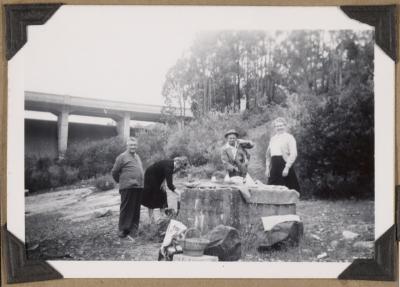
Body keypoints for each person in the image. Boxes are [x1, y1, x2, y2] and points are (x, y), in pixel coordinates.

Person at [111, 137, 144, 238]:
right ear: (127, 146)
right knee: (126, 208)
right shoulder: (122, 157)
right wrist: (121, 181)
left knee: (135, 209)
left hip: (138, 187)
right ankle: (123, 230)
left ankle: (133, 229)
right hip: (127, 187)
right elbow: (115, 171)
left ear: (137, 146)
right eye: (131, 145)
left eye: (134, 145)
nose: (133, 147)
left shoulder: (137, 156)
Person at [142, 157, 188, 223]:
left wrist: (163, 181)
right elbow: (170, 185)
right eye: (180, 168)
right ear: (177, 163)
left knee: (163, 193)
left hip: (157, 176)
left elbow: (163, 171)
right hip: (150, 175)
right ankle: (151, 220)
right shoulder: (169, 167)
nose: (179, 170)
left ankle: (162, 216)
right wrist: (178, 192)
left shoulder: (172, 164)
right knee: (152, 196)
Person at [265, 117, 300, 192]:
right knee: (271, 188)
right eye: (277, 126)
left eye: (281, 125)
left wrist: (287, 167)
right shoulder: (273, 139)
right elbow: (268, 155)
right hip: (274, 165)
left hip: (285, 164)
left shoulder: (289, 137)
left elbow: (293, 153)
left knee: (291, 188)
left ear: (285, 126)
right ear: (275, 128)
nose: (279, 127)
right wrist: (267, 167)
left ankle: (291, 203)